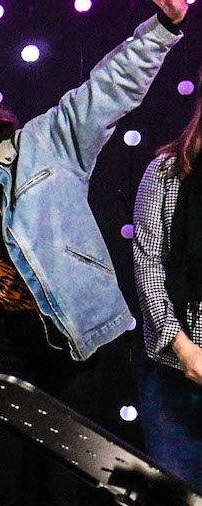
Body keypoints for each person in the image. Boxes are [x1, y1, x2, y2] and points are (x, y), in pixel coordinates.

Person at [0, 0, 188, 506]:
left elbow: (106, 90)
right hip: (0, 364)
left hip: (80, 346)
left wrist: (163, 26)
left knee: (73, 488)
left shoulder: (44, 143)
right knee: (8, 488)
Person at [133, 64, 202, 489]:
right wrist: (185, 349)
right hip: (172, 370)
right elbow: (147, 264)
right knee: (176, 493)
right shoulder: (166, 171)